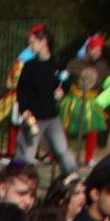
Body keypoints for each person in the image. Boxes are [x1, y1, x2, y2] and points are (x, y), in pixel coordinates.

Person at [14, 27, 78, 176]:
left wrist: (63, 90)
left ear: (44, 42)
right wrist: (24, 109)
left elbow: (65, 81)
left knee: (63, 151)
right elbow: (22, 89)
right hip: (33, 118)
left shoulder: (57, 62)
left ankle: (73, 178)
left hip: (52, 117)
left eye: (33, 43)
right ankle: (20, 181)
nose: (30, 46)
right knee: (26, 156)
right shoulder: (30, 66)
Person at [59, 34, 110, 165]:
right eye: (94, 50)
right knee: (64, 128)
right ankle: (58, 155)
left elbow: (109, 84)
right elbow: (65, 78)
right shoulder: (76, 63)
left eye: (99, 50)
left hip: (90, 102)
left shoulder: (103, 66)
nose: (97, 53)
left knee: (92, 130)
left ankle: (89, 158)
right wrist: (62, 79)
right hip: (74, 99)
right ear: (88, 49)